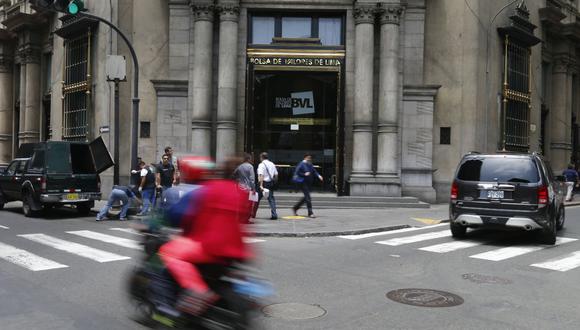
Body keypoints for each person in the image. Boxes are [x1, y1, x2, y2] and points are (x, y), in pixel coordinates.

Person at [158, 157, 254, 316]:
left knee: (168, 252)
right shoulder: (239, 191)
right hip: (238, 250)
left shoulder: (206, 189)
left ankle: (197, 292)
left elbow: (179, 216)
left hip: (209, 246)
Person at [292, 153, 323, 218]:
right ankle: (310, 213)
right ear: (305, 158)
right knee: (308, 198)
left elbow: (314, 171)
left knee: (306, 198)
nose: (310, 159)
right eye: (308, 158)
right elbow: (297, 172)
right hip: (302, 183)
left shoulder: (310, 164)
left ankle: (295, 208)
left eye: (310, 158)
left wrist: (319, 176)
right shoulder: (301, 164)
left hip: (308, 183)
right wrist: (304, 174)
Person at [234, 153, 257, 223]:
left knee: (241, 204)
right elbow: (252, 179)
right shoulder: (250, 167)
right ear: (248, 159)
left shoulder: (239, 166)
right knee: (248, 205)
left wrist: (238, 180)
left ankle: (240, 218)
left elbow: (234, 174)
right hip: (248, 188)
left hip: (240, 188)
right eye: (250, 159)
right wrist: (253, 188)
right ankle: (246, 219)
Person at [256, 152, 278, 220]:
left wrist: (261, 185)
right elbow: (276, 175)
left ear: (261, 157)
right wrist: (275, 182)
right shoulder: (272, 164)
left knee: (257, 199)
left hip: (263, 183)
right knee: (271, 199)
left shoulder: (261, 164)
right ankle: (274, 214)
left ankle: (253, 213)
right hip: (270, 183)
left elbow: (261, 175)